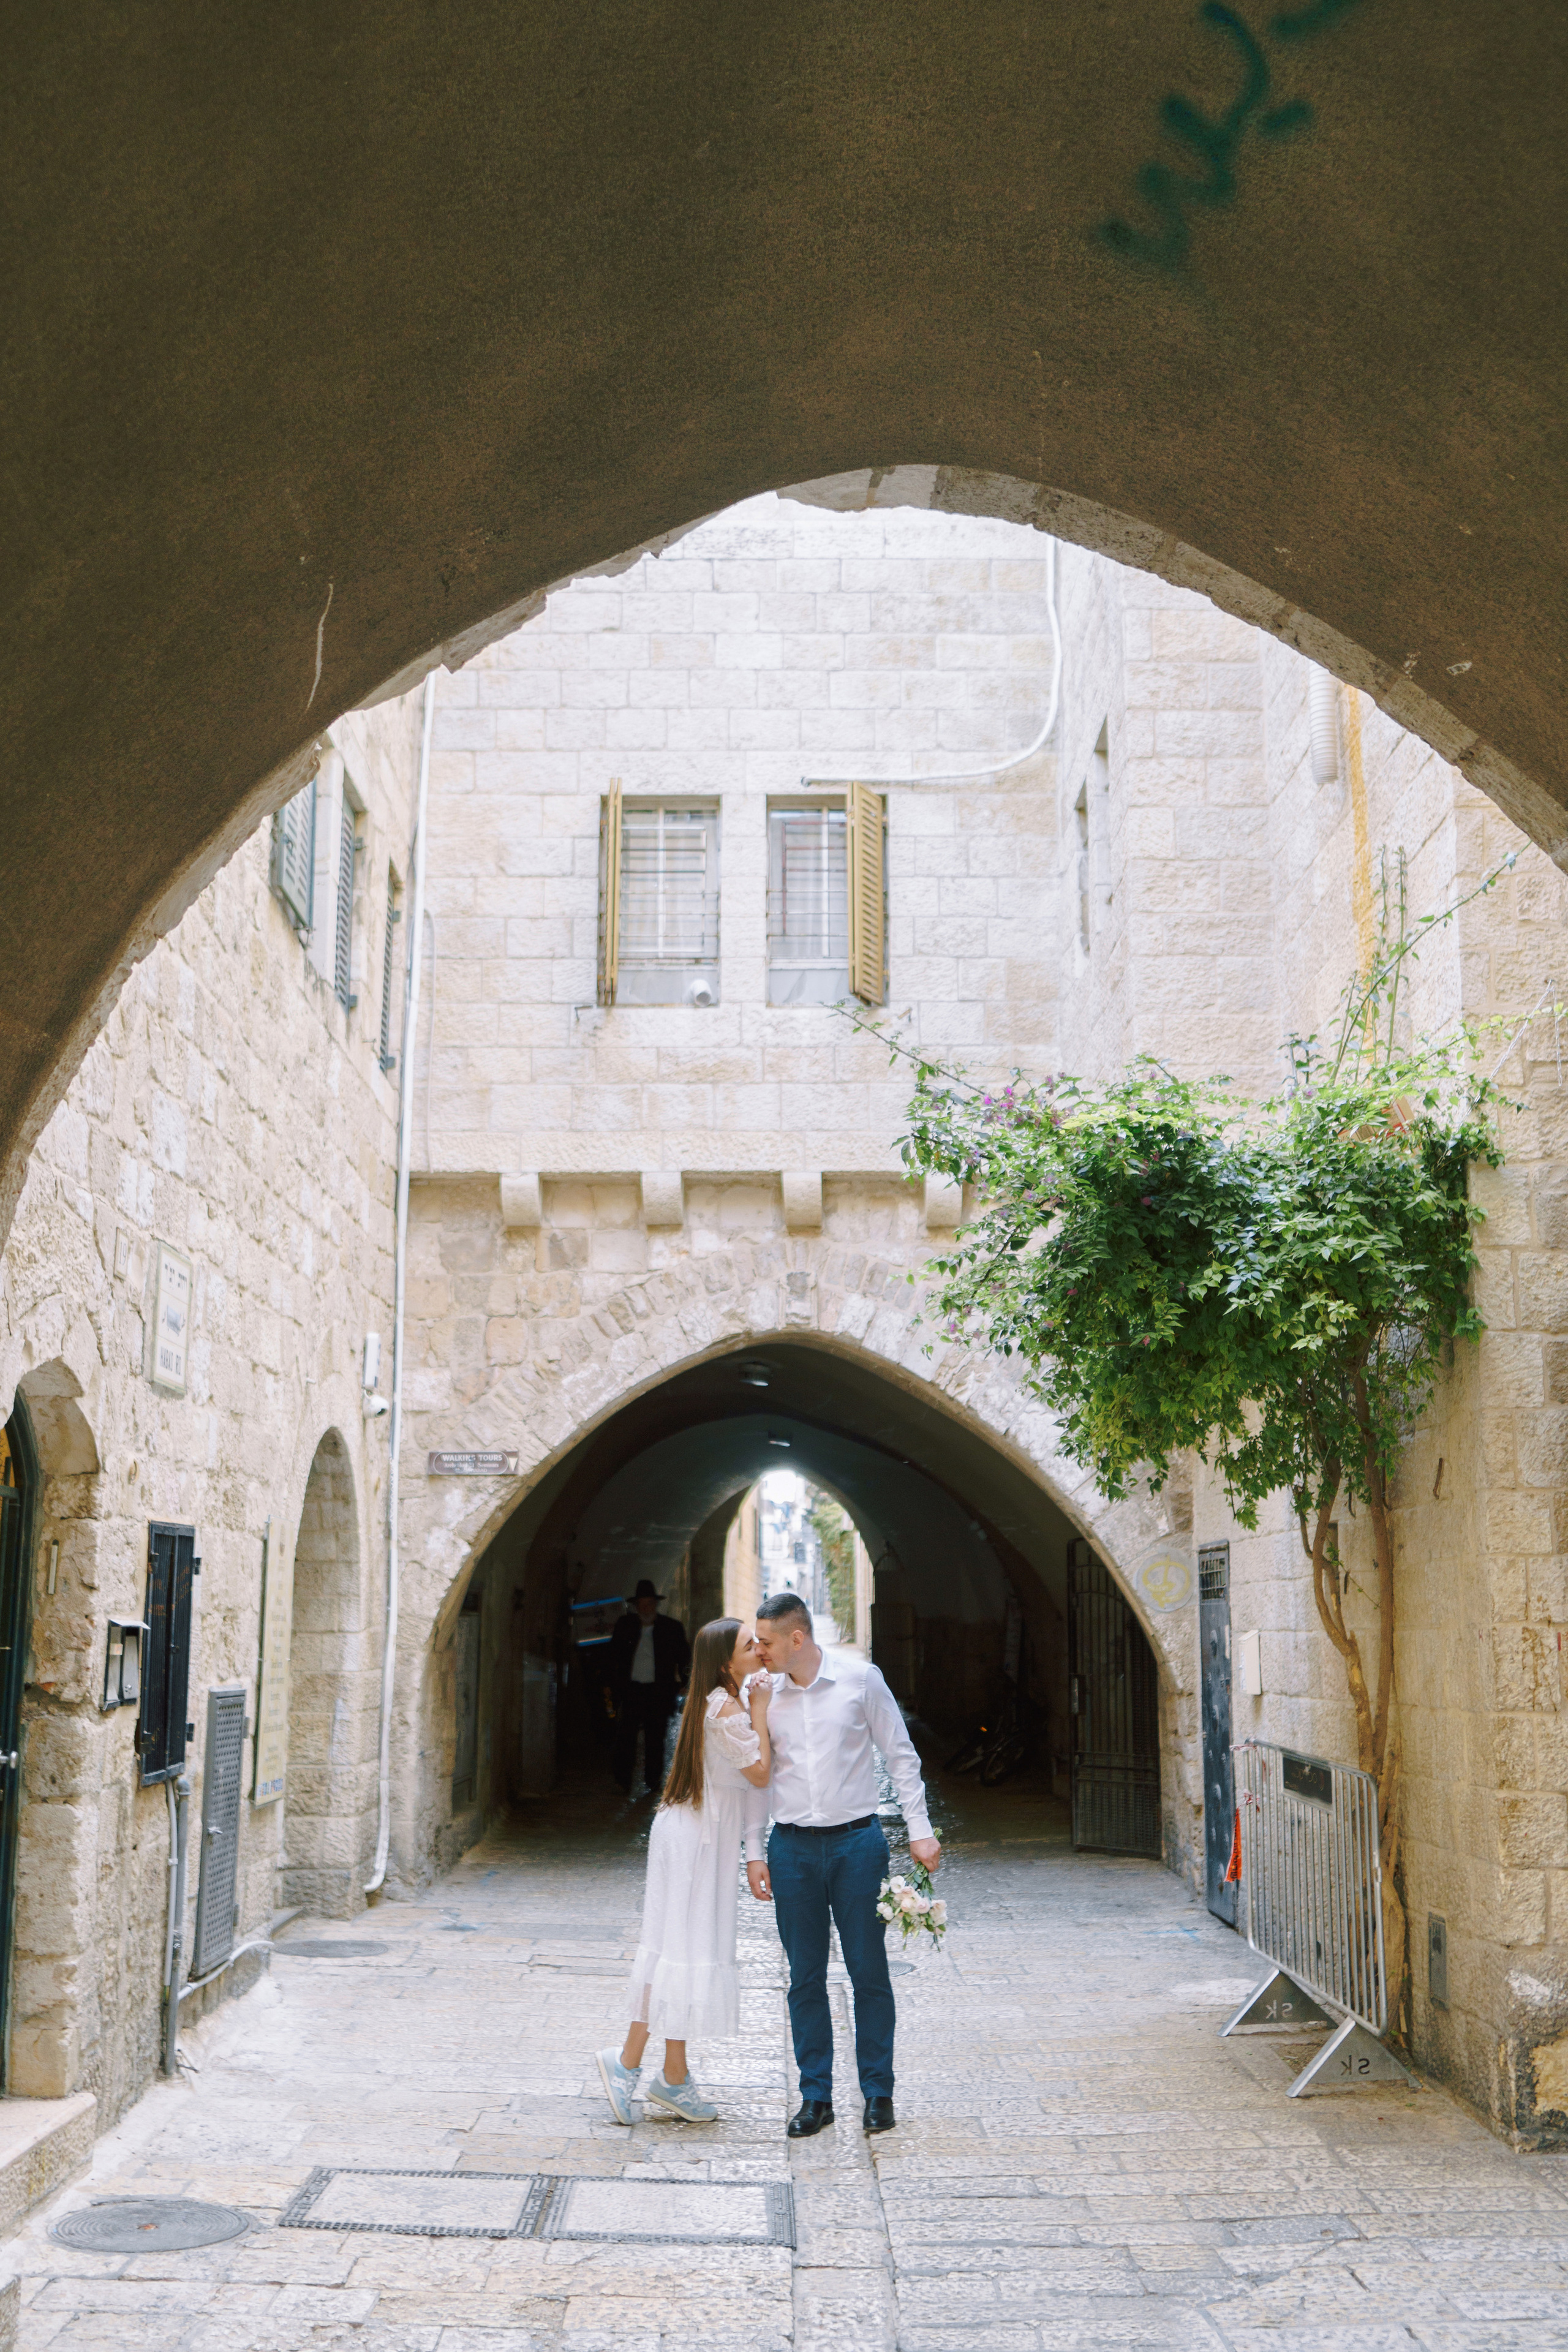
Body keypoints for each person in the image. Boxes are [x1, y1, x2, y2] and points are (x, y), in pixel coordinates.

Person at [748, 1591, 940, 2139]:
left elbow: (901, 1755)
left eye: (765, 1642)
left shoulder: (861, 1681)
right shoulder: (763, 1694)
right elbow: (756, 1776)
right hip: (792, 1850)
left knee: (868, 1971)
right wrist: (755, 1850)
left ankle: (879, 2092)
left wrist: (920, 1829)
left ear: (797, 1638)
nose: (758, 1651)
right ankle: (816, 2097)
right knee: (804, 1978)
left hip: (858, 1846)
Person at [596, 1617, 772, 2124]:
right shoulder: (725, 1708)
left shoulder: (720, 1701)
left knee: (682, 1951)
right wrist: (761, 1711)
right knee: (680, 1950)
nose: (758, 1649)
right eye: (748, 1645)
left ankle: (671, 2075)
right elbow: (760, 1773)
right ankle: (629, 2062)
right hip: (696, 1839)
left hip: (699, 1835)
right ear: (726, 1663)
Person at [608, 1578, 690, 1796]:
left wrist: (685, 1682)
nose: (646, 1609)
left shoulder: (671, 1628)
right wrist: (613, 1685)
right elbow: (614, 1656)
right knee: (626, 1736)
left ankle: (653, 1780)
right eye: (642, 1605)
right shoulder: (625, 1626)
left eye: (650, 1604)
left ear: (655, 1605)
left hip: (658, 1691)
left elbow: (684, 1657)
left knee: (656, 1738)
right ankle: (622, 1780)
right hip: (632, 1690)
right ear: (637, 1607)